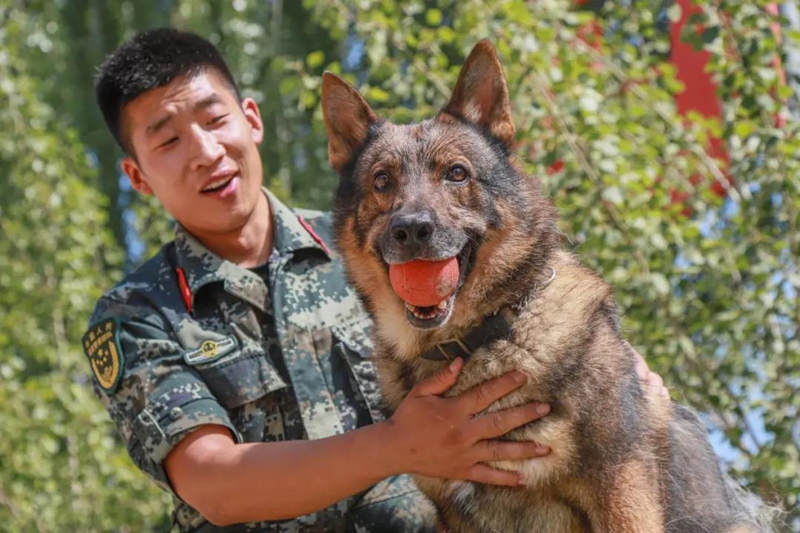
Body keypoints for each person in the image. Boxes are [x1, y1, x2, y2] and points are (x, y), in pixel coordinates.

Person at [85, 28, 667, 532]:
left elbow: (529, 303)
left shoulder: (374, 247)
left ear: (252, 120)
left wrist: (619, 385)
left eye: (215, 119)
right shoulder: (139, 313)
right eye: (168, 139)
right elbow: (213, 484)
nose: (206, 152)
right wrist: (398, 446)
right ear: (137, 176)